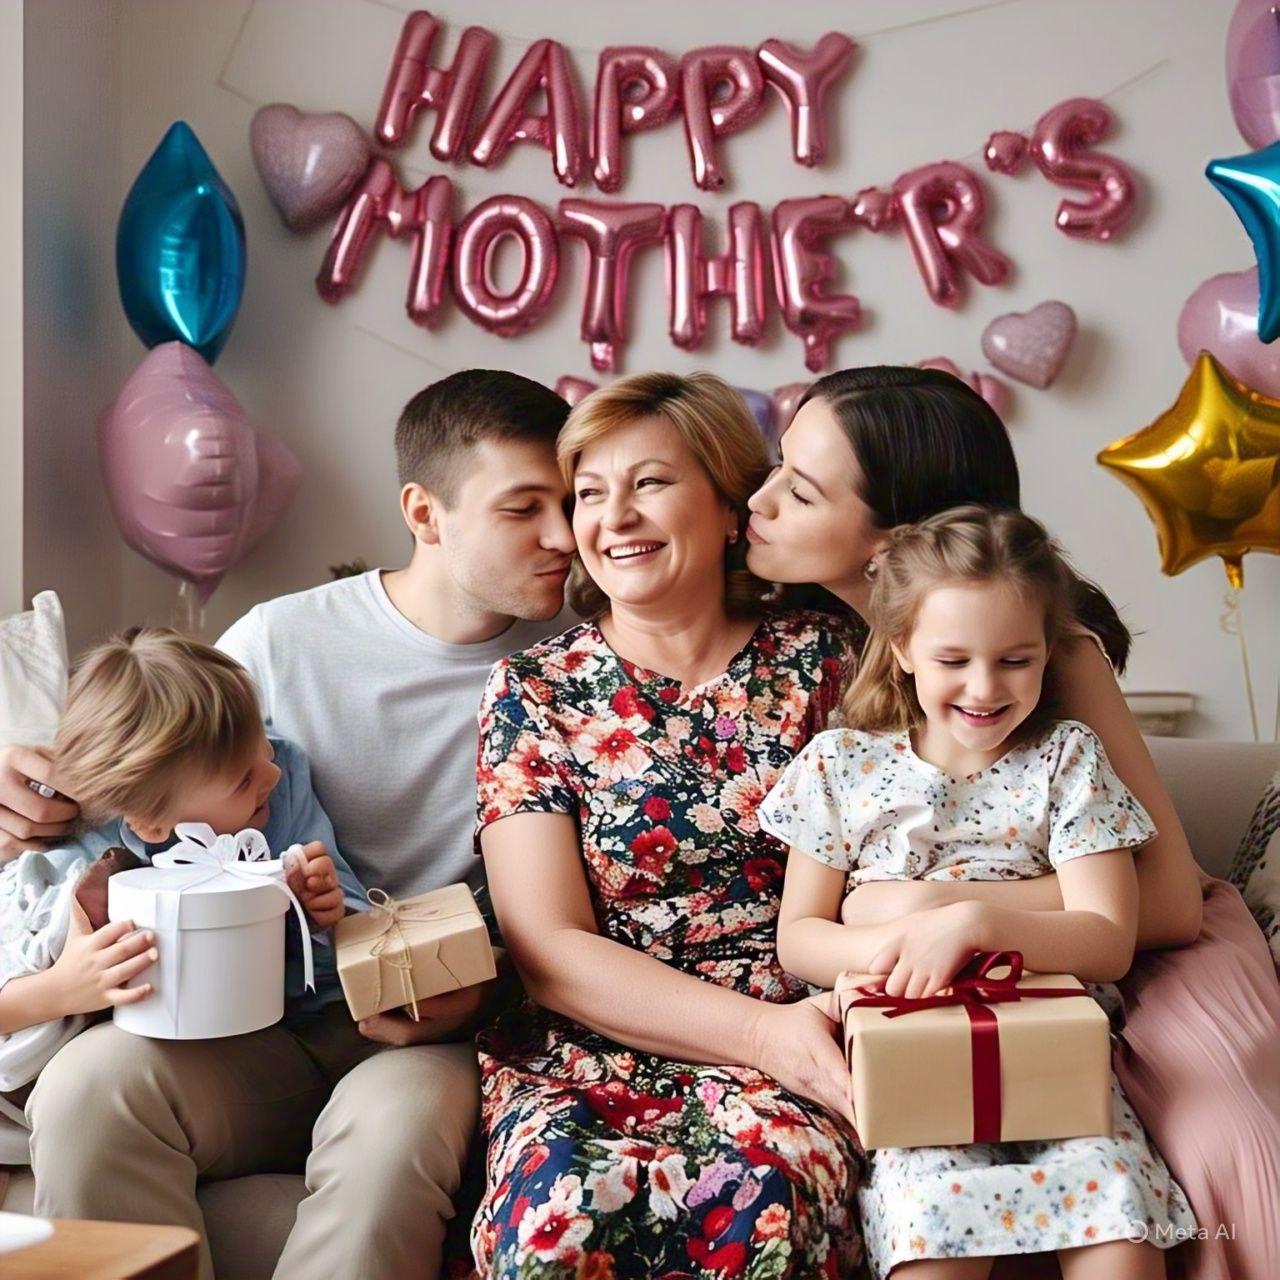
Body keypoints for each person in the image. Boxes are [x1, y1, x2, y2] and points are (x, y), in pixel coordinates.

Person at [8, 370, 578, 1280]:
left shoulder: (576, 668)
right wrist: (29, 803)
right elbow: (144, 773)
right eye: (524, 508)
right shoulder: (277, 643)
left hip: (423, 1037)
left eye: (571, 503)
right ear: (424, 514)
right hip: (253, 1023)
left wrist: (482, 993)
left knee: (389, 1145)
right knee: (87, 1088)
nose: (566, 537)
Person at [746, 365, 1280, 1280]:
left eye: (800, 490)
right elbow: (808, 920)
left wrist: (930, 907)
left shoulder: (1053, 660)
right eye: (776, 469)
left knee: (1220, 1143)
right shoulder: (802, 659)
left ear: (893, 541)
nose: (757, 503)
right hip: (938, 984)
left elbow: (1164, 906)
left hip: (1146, 950)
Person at [471, 372, 861, 1278]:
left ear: (729, 506)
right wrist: (758, 1036)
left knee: (760, 1208)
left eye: (648, 482)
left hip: (805, 1038)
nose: (615, 517)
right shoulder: (533, 690)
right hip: (592, 1052)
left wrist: (789, 1039)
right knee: (559, 1226)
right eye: (589, 494)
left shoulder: (829, 658)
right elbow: (546, 947)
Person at [764, 506, 1195, 1279]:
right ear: (902, 649)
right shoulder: (841, 766)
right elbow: (799, 937)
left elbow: (1107, 938)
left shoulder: (1067, 760)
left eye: (1015, 660)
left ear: (1047, 654)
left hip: (1060, 1057)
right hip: (911, 1060)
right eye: (953, 659)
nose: (985, 687)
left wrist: (970, 922)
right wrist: (900, 944)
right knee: (936, 1235)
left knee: (1119, 1234)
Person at [14, 630, 365, 1280]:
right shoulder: (82, 862)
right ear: (150, 824)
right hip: (162, 1054)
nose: (271, 771)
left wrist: (323, 910)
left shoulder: (280, 786)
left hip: (297, 1037)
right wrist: (66, 984)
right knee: (86, 1094)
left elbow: (350, 918)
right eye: (243, 776)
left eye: (262, 745)